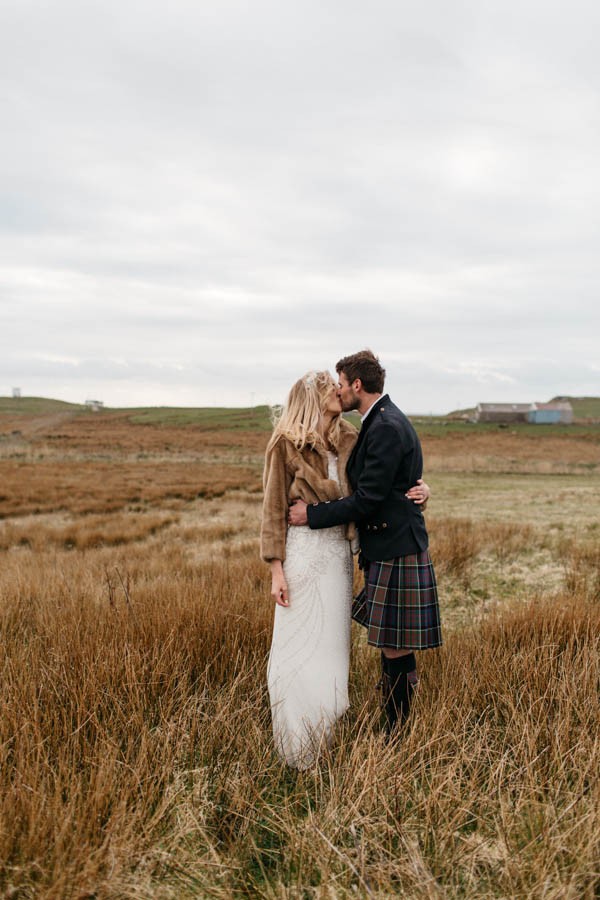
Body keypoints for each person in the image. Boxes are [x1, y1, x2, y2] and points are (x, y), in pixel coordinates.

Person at [261, 370, 429, 767]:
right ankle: (295, 740)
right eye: (329, 387)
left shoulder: (351, 438)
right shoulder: (284, 445)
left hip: (339, 558)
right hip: (302, 555)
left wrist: (422, 491)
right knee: (297, 645)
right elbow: (271, 513)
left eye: (338, 385)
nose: (338, 391)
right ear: (313, 397)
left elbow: (380, 488)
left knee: (332, 650)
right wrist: (276, 571)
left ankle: (325, 731)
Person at [289, 350, 442, 736]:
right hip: (390, 543)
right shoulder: (379, 422)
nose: (339, 391)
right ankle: (395, 724)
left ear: (357, 385)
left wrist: (312, 516)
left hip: (395, 544)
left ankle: (396, 731)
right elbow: (392, 485)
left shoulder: (386, 426)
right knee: (393, 643)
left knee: (395, 645)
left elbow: (369, 498)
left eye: (341, 384)